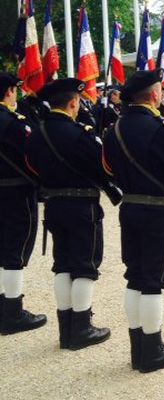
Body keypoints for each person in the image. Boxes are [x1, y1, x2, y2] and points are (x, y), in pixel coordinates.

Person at [103, 70, 164, 373]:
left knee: (135, 276)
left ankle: (137, 349)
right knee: (153, 280)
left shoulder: (114, 128)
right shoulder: (157, 128)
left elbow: (108, 168)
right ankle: (152, 350)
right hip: (155, 210)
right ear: (154, 95)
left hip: (129, 207)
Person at [25, 78, 122, 349]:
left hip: (54, 205)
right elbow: (104, 167)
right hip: (82, 207)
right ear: (72, 103)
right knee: (84, 265)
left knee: (62, 264)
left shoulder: (38, 132)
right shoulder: (80, 134)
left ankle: (65, 328)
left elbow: (30, 165)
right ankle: (81, 328)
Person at [0, 73, 46, 335]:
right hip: (15, 192)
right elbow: (32, 157)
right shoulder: (14, 123)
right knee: (14, 252)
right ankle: (13, 313)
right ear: (8, 91)